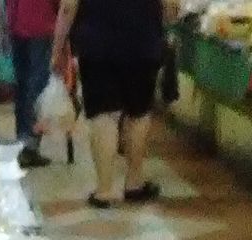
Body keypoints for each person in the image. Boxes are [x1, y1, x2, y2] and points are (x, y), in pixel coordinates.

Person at [51, 0, 178, 207]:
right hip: (142, 43)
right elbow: (172, 7)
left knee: (103, 114)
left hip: (96, 46)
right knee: (138, 113)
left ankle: (104, 190)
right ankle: (134, 182)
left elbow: (68, 6)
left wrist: (57, 49)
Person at [7, 0, 58, 168]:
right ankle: (29, 144)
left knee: (23, 85)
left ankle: (22, 141)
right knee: (36, 84)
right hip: (40, 23)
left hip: (16, 20)